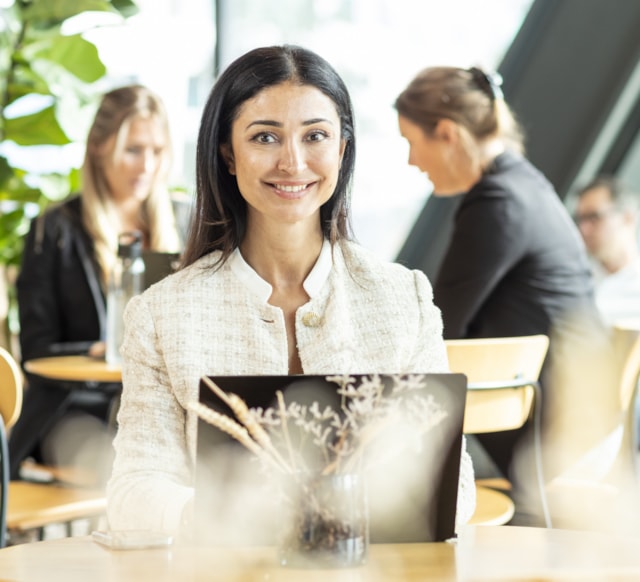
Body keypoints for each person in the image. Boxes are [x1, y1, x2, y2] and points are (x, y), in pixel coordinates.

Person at [106, 45, 476, 537]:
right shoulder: (162, 314)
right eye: (265, 137)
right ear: (228, 156)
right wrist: (227, 516)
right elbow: (133, 491)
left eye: (316, 136)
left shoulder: (402, 298)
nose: (293, 162)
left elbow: (457, 491)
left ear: (342, 151)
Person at [395, 66, 608, 524]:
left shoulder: (498, 203)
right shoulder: (523, 184)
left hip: (556, 438)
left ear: (448, 134)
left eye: (412, 142)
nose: (412, 161)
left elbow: (437, 328)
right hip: (585, 415)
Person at [9, 85, 186, 484]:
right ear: (99, 148)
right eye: (133, 150)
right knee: (145, 442)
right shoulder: (53, 231)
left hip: (164, 403)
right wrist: (99, 350)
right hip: (79, 406)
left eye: (157, 152)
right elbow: (37, 350)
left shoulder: (188, 225)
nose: (146, 166)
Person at [574, 175, 640, 327]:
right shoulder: (575, 278)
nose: (584, 229)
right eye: (581, 219)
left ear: (628, 218)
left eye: (594, 217)